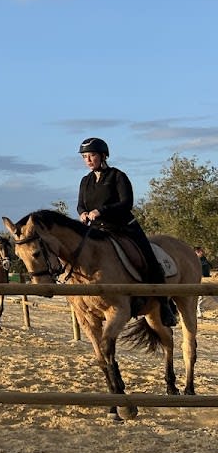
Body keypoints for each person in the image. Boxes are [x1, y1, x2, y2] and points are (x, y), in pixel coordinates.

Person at [76, 136, 176, 327]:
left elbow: (126, 203)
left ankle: (164, 304)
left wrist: (101, 211)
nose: (88, 160)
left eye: (92, 155)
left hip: (123, 227)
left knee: (148, 257)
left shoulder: (117, 176)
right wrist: (83, 213)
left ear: (103, 156)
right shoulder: (85, 181)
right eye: (85, 157)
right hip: (98, 230)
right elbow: (81, 204)